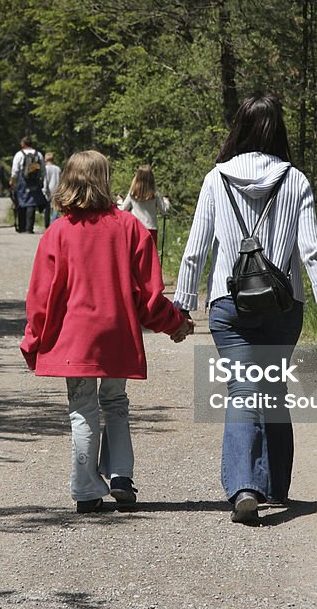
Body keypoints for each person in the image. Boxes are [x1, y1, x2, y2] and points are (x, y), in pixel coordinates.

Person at [173, 93, 317, 525]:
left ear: (240, 129)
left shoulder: (216, 179)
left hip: (229, 304)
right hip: (285, 305)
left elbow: (196, 250)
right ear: (278, 130)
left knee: (243, 391)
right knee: (274, 392)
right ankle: (275, 483)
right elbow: (311, 246)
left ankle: (245, 486)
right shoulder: (296, 180)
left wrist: (183, 305)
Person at [21, 150, 195, 513]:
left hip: (75, 341)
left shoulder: (57, 232)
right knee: (115, 403)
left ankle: (86, 491)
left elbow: (39, 298)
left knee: (82, 410)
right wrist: (175, 323)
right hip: (117, 336)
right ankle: (120, 476)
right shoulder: (129, 227)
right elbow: (149, 295)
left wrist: (33, 341)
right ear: (104, 179)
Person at [119, 165, 171, 246]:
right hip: (151, 229)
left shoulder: (132, 194)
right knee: (150, 256)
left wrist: (119, 201)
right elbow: (164, 211)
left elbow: (122, 209)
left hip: (136, 228)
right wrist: (166, 201)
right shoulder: (155, 194)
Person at [10, 136, 47, 233]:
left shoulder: (19, 154)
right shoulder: (38, 154)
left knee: (21, 203)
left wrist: (12, 181)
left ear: (23, 144)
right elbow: (43, 169)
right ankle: (29, 228)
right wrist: (42, 180)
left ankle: (22, 227)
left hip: (23, 182)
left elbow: (15, 170)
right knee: (31, 203)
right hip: (34, 181)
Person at [42, 152, 62, 228]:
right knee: (55, 209)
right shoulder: (58, 168)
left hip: (47, 191)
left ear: (45, 159)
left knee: (46, 210)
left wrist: (45, 190)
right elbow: (60, 180)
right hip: (56, 190)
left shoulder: (45, 168)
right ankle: (52, 224)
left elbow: (45, 181)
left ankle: (46, 225)